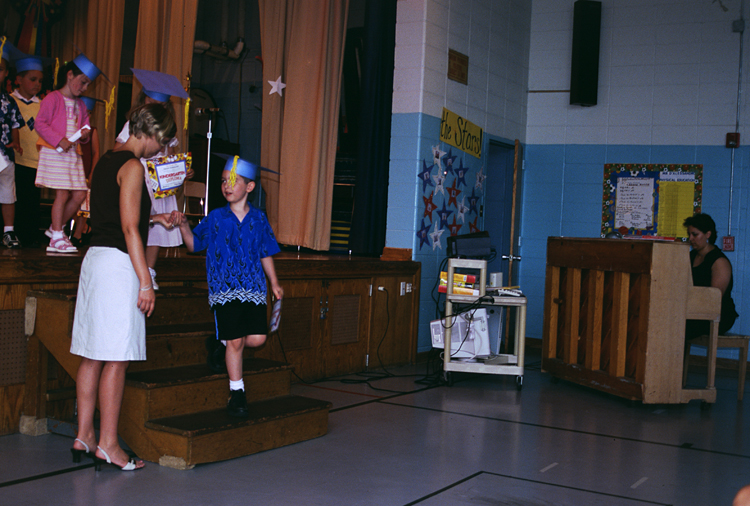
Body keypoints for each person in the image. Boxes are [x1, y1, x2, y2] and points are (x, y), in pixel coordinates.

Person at [69, 102, 177, 471]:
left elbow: (115, 216)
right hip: (119, 267)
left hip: (95, 261)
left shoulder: (106, 162)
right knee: (117, 357)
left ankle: (84, 435)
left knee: (92, 354)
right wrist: (146, 281)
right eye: (161, 142)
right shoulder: (132, 165)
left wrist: (156, 216)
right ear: (152, 134)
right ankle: (110, 444)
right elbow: (130, 230)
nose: (160, 150)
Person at [174, 155, 283, 418]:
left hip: (254, 289)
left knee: (256, 338)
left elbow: (265, 252)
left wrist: (274, 282)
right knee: (236, 340)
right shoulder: (216, 218)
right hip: (224, 289)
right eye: (223, 181)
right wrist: (185, 226)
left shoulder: (259, 219)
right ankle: (237, 393)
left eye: (233, 181)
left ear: (249, 187)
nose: (226, 185)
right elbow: (193, 245)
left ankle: (221, 341)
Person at [115, 68, 191, 289]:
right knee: (141, 220)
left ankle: (149, 270)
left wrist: (180, 169)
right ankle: (135, 269)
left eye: (162, 106)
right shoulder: (132, 124)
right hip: (139, 178)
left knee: (159, 224)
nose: (157, 108)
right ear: (143, 99)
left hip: (160, 183)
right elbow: (119, 149)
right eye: (152, 103)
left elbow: (167, 156)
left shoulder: (167, 129)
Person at [35, 51, 101, 253]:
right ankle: (56, 236)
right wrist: (58, 139)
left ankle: (56, 229)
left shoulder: (81, 104)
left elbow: (85, 127)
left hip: (72, 154)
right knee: (62, 194)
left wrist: (85, 135)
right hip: (55, 152)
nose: (84, 88)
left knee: (80, 194)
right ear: (69, 75)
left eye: (88, 84)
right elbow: (40, 123)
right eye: (83, 82)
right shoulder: (53, 98)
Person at [12, 51, 47, 247]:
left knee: (31, 202)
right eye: (32, 79)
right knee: (12, 199)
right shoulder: (9, 102)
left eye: (40, 81)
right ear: (18, 79)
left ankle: (29, 237)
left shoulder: (42, 106)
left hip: (35, 161)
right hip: (14, 160)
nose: (37, 84)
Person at [684, 213, 738, 339]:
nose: (690, 238)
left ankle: (675, 358)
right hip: (694, 312)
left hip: (720, 315)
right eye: (689, 234)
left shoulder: (719, 261)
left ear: (708, 234)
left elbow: (714, 297)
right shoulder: (690, 257)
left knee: (677, 324)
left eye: (695, 234)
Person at [0, 39, 26, 249]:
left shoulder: (9, 101)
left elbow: (16, 124)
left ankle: (9, 231)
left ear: (6, 72)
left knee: (8, 192)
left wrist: (16, 141)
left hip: (5, 153)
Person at [71, 96, 100, 247]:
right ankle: (83, 229)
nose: (86, 115)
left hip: (85, 170)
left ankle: (77, 233)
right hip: (70, 170)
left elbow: (96, 153)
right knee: (71, 202)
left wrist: (92, 173)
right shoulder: (69, 130)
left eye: (89, 113)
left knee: (83, 203)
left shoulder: (92, 131)